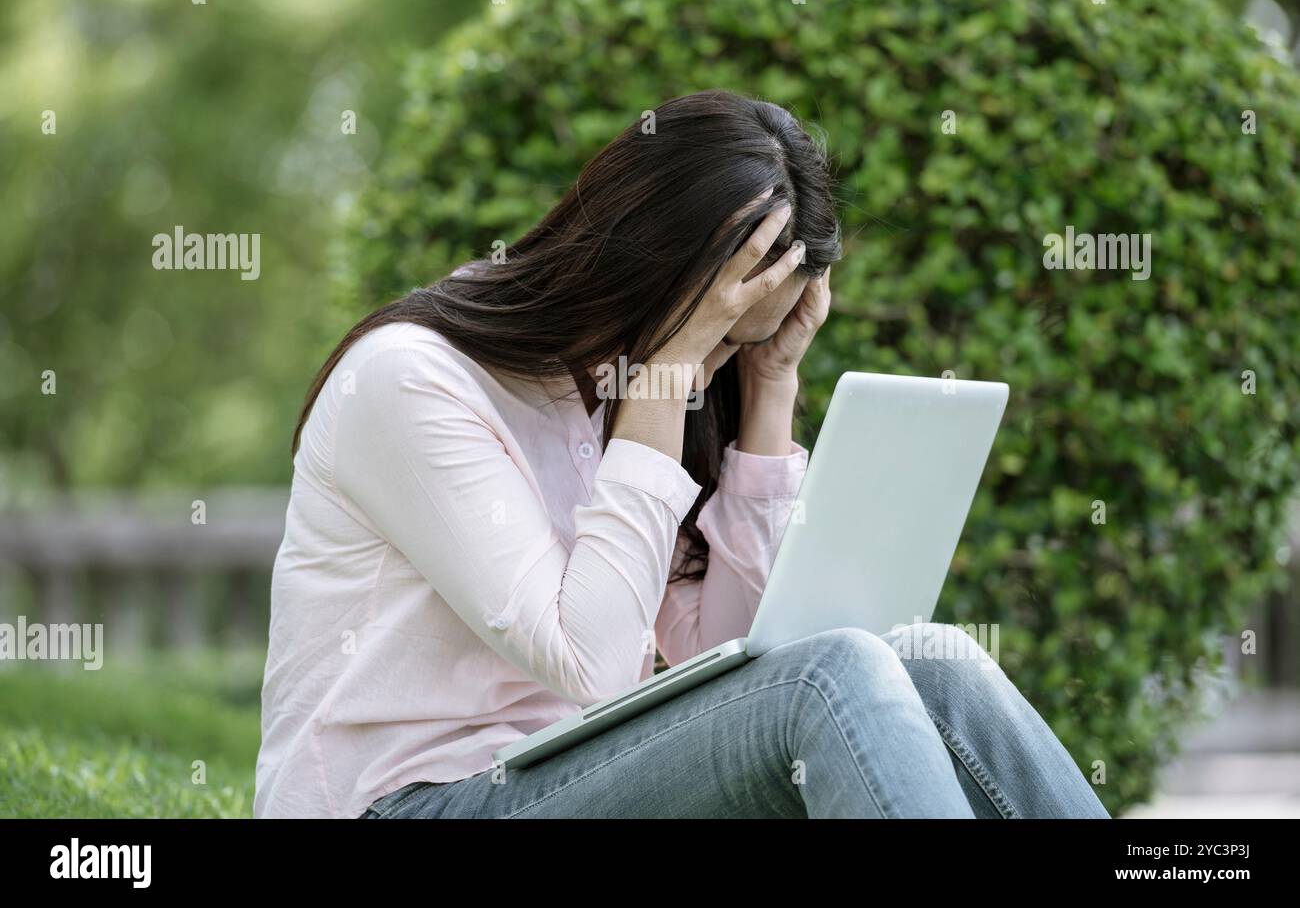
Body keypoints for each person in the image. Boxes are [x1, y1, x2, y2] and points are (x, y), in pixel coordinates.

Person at [254, 90, 1108, 819]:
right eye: (718, 335)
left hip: (564, 772)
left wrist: (770, 383)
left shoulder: (635, 393)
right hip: (403, 802)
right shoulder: (413, 379)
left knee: (930, 660)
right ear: (646, 267)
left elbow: (736, 660)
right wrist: (661, 384)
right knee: (833, 677)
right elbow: (589, 663)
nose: (715, 368)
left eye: (738, 343)